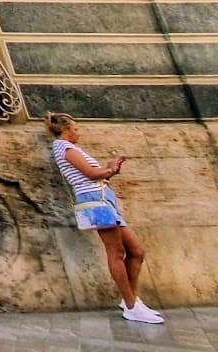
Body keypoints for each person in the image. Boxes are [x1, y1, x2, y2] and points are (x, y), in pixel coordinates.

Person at [46, 112, 163, 324]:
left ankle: (131, 300)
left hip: (103, 198)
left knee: (136, 251)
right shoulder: (64, 147)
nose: (77, 132)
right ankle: (130, 305)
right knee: (116, 252)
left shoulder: (70, 148)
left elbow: (96, 173)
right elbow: (91, 174)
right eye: (75, 128)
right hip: (94, 199)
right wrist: (110, 169)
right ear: (65, 129)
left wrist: (110, 169)